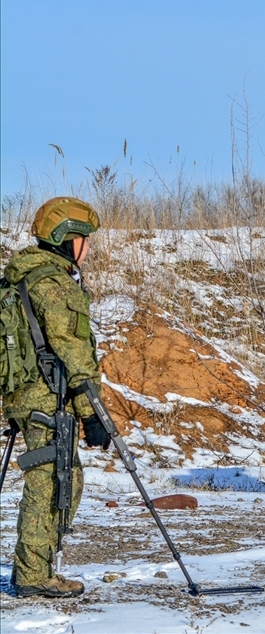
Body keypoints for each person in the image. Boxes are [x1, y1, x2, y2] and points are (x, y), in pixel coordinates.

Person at [2, 197, 110, 597]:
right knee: (50, 481)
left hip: (24, 394)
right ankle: (33, 575)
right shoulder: (54, 284)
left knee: (58, 477)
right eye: (84, 239)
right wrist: (93, 413)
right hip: (47, 397)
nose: (88, 247)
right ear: (67, 238)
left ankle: (36, 567)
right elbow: (74, 352)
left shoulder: (21, 275)